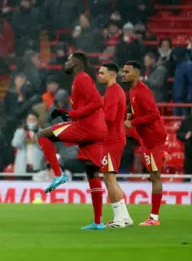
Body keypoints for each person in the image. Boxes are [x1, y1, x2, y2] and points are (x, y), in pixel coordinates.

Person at [36, 53, 107, 230]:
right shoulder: (82, 80)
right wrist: (65, 112)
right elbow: (87, 105)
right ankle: (98, 222)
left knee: (43, 135)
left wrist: (71, 114)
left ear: (76, 64)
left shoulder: (82, 79)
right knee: (92, 172)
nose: (66, 63)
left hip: (86, 128)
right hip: (96, 130)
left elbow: (98, 102)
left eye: (68, 60)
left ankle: (58, 174)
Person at [121, 61, 167, 226]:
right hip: (147, 139)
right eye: (123, 71)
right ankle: (162, 156)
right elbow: (134, 108)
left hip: (153, 139)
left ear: (136, 73)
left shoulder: (143, 91)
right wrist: (129, 115)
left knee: (155, 176)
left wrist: (132, 123)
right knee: (152, 175)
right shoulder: (132, 90)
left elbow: (154, 115)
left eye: (127, 72)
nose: (123, 74)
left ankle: (154, 218)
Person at [96, 63, 133, 228]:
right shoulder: (118, 91)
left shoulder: (112, 92)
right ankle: (124, 217)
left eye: (101, 72)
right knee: (110, 178)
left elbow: (109, 117)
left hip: (112, 140)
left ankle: (119, 218)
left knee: (109, 178)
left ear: (111, 75)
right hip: (115, 138)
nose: (99, 75)